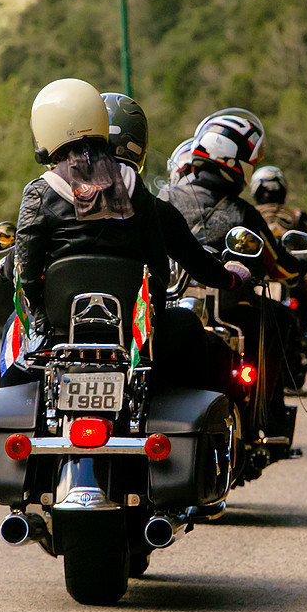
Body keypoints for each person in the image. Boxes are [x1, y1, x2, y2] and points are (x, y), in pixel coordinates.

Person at [12, 79, 243, 392]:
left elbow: (26, 270)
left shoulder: (40, 191)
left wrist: (39, 318)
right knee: (190, 326)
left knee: (13, 340)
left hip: (58, 335)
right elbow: (158, 267)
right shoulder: (135, 189)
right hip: (134, 339)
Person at [158, 108, 303, 438]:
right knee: (278, 318)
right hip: (229, 310)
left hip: (165, 307)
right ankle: (267, 413)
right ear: (234, 160)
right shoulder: (242, 211)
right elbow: (278, 266)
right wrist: (297, 269)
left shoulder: (165, 198)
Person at [100, 92, 249, 392]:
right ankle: (199, 433)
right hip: (138, 334)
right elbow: (199, 263)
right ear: (137, 147)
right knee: (193, 328)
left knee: (17, 323)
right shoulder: (155, 210)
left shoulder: (51, 198)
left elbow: (23, 261)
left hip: (61, 333)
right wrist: (232, 279)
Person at [250, 165, 307, 365]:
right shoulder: (296, 216)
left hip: (256, 280)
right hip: (292, 278)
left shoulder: (248, 213)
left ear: (255, 190)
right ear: (283, 189)